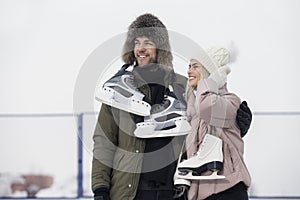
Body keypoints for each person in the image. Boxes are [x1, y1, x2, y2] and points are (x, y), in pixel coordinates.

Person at [91, 13, 252, 200]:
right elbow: (103, 143)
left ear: (161, 48)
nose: (141, 49)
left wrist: (236, 124)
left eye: (148, 43)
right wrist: (100, 188)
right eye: (136, 42)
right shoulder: (117, 91)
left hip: (173, 192)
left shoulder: (183, 87)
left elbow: (206, 125)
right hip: (127, 193)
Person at [174, 46, 251, 200]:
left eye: (195, 67)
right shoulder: (191, 110)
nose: (189, 71)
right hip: (199, 193)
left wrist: (210, 81)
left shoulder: (230, 101)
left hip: (228, 189)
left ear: (210, 72)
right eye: (189, 66)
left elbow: (207, 107)